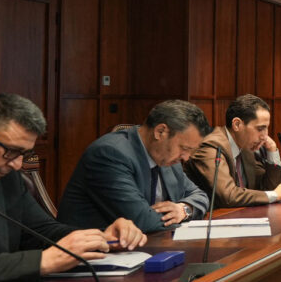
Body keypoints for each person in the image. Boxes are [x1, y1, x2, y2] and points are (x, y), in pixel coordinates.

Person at [0, 94, 146, 280]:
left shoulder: (8, 178)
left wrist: (99, 239)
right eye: (11, 151)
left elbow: (41, 231)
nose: (17, 164)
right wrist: (42, 261)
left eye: (24, 153)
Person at [59, 100, 211, 233]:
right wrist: (177, 219)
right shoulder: (110, 154)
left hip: (148, 246)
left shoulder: (166, 157)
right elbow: (142, 221)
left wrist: (184, 209)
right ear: (160, 132)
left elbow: (200, 195)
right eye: (184, 148)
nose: (186, 158)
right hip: (96, 251)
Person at [184, 94, 281, 207]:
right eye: (260, 128)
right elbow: (228, 196)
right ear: (237, 124)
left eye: (266, 128)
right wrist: (275, 195)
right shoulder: (211, 148)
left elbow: (268, 188)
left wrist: (272, 150)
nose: (265, 136)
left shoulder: (245, 148)